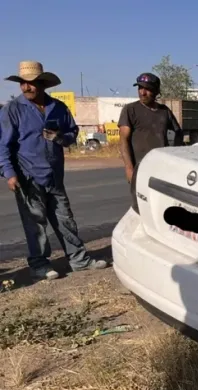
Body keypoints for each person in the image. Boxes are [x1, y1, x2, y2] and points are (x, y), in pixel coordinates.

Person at [0, 61, 108, 281]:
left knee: (65, 219)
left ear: (42, 84)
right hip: (27, 177)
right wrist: (9, 173)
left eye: (31, 83)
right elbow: (3, 145)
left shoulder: (58, 108)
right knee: (35, 224)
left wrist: (59, 137)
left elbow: (72, 134)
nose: (26, 88)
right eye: (23, 83)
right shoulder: (13, 110)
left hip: (54, 176)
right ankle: (39, 264)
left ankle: (79, 260)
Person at [118, 73, 183, 185]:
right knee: (140, 201)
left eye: (147, 89)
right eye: (140, 88)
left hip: (162, 169)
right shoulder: (130, 110)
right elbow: (123, 140)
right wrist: (129, 169)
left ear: (157, 91)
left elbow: (178, 134)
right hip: (140, 169)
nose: (142, 93)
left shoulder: (164, 111)